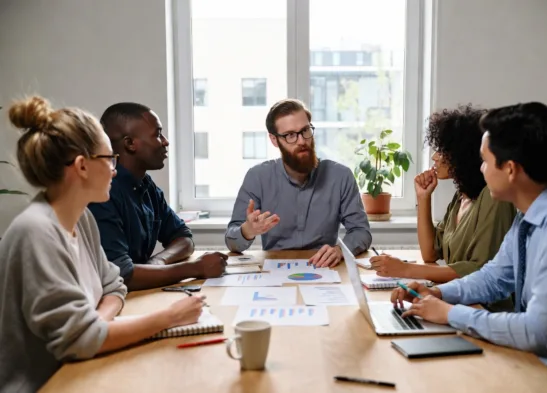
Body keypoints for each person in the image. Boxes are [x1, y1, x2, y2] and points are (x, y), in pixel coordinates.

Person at [0, 96, 207, 393]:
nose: (114, 170)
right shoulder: (37, 232)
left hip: (80, 371)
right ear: (82, 167)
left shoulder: (81, 217)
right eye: (109, 159)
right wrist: (170, 317)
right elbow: (80, 340)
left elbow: (114, 286)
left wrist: (95, 325)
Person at [391, 102, 547, 392]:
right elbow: (494, 277)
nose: (480, 169)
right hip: (529, 364)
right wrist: (438, 292)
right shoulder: (527, 216)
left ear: (510, 169)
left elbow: (538, 332)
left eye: (484, 160)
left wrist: (449, 313)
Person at [371, 105, 517, 311]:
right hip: (459, 303)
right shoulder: (461, 196)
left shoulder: (494, 200)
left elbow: (479, 270)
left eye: (442, 151)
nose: (434, 157)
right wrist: (423, 198)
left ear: (462, 155)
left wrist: (406, 269)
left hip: (485, 309)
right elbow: (430, 253)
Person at [88, 103, 227, 291]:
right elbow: (122, 275)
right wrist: (196, 268)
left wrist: (157, 262)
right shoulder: (104, 193)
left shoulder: (146, 185)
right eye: (158, 134)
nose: (165, 141)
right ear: (130, 144)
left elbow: (183, 238)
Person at [225, 98, 371, 267]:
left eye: (305, 130)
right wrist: (248, 230)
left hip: (325, 268)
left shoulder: (341, 176)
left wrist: (340, 250)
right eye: (290, 135)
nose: (301, 141)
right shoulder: (257, 177)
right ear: (274, 140)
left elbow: (361, 231)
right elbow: (231, 240)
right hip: (275, 273)